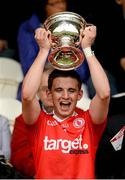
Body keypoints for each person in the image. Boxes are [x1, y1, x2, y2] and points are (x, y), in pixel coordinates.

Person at [21, 22, 110, 179]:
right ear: (49, 94)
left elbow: (104, 94)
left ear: (80, 95)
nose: (65, 96)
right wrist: (43, 51)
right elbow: (27, 95)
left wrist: (87, 49)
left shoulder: (89, 122)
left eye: (71, 91)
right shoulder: (39, 123)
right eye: (58, 90)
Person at [17, 0, 90, 101]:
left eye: (62, 2)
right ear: (44, 7)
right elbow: (28, 67)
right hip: (39, 83)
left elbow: (83, 72)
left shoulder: (74, 28)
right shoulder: (28, 28)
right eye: (54, 3)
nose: (61, 6)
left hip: (70, 79)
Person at [10, 63, 54, 178]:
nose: (49, 94)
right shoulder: (23, 120)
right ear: (38, 92)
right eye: (45, 89)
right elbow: (19, 157)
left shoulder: (78, 118)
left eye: (55, 88)